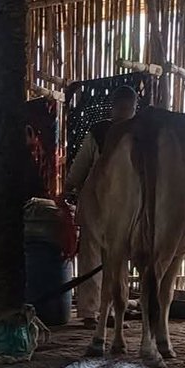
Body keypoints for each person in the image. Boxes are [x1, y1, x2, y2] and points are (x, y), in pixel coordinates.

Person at [65, 86, 139, 328]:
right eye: (124, 107)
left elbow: (78, 171)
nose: (125, 111)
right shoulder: (103, 132)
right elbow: (80, 168)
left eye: (128, 108)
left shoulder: (130, 134)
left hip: (115, 205)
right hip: (106, 205)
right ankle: (92, 312)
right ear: (116, 107)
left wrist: (72, 185)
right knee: (101, 258)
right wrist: (72, 186)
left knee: (112, 259)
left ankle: (106, 310)